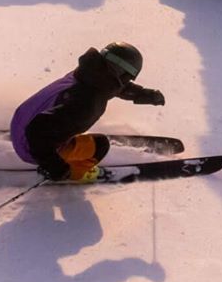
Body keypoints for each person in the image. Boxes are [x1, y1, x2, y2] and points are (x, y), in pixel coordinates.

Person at [9, 42, 166, 182]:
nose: (126, 82)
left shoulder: (88, 72)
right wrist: (53, 164)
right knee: (101, 145)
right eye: (128, 78)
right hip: (30, 146)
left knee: (64, 120)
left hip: (20, 121)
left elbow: (111, 86)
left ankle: (57, 139)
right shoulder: (88, 104)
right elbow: (37, 130)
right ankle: (76, 173)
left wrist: (143, 94)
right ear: (123, 76)